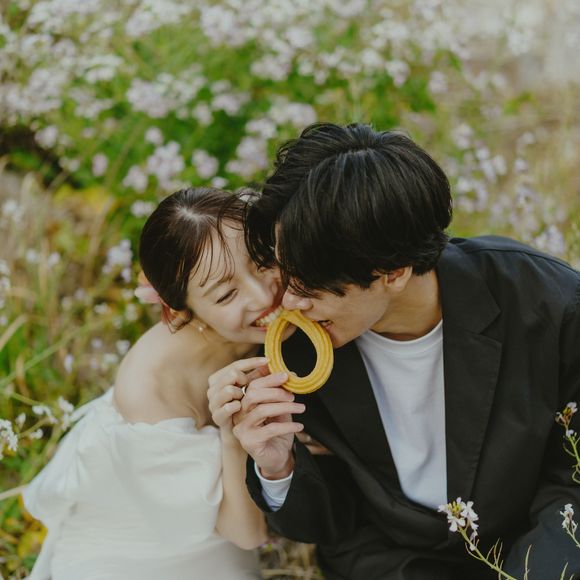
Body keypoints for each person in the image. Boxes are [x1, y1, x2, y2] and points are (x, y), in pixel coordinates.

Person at [215, 123, 580, 579]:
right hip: (392, 563)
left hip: (532, 551)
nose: (288, 303)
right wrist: (277, 466)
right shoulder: (295, 352)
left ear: (393, 271)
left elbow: (572, 480)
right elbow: (330, 523)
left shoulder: (547, 305)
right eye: (284, 276)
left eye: (309, 287)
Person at [22, 187, 303, 580]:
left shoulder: (266, 319)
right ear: (181, 310)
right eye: (226, 294)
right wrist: (231, 438)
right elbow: (247, 534)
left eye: (262, 261)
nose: (263, 296)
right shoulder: (152, 392)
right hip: (152, 552)